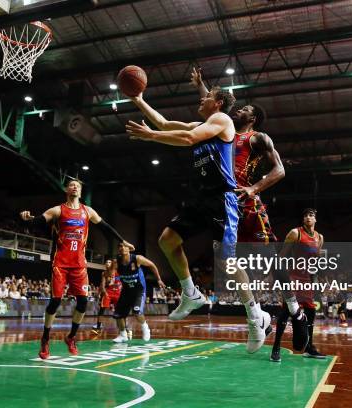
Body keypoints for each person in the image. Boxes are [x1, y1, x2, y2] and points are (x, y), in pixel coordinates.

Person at [126, 85, 271, 347]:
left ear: (217, 103)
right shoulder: (200, 124)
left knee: (227, 262)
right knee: (167, 240)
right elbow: (164, 122)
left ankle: (255, 317)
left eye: (206, 97)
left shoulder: (223, 120)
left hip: (222, 199)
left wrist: (151, 136)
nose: (202, 99)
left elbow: (189, 139)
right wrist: (139, 99)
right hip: (202, 197)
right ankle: (190, 292)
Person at [191, 68, 305, 353]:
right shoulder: (224, 130)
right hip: (226, 204)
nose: (238, 109)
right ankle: (258, 319)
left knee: (269, 258)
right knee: (226, 265)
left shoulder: (258, 137)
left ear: (252, 118)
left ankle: (294, 307)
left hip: (249, 204)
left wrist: (254, 188)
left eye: (245, 109)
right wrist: (200, 85)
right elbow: (211, 105)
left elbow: (279, 169)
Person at [20, 179, 133, 357]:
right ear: (67, 190)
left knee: (83, 302)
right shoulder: (57, 210)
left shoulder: (87, 211)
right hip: (60, 264)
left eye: (78, 186)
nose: (75, 187)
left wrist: (122, 241)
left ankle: (71, 337)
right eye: (71, 185)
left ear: (80, 191)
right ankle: (45, 338)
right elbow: (38, 222)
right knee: (55, 302)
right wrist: (27, 219)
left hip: (79, 265)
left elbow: (106, 227)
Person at [270, 209, 326, 362]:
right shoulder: (295, 233)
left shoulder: (319, 237)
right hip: (293, 277)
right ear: (303, 219)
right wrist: (276, 277)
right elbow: (281, 256)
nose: (308, 217)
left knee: (311, 312)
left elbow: (316, 261)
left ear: (315, 220)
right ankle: (276, 348)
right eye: (306, 215)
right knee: (286, 312)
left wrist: (317, 281)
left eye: (311, 215)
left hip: (307, 280)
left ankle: (309, 348)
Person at [112, 243, 165, 343]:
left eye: (125, 246)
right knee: (118, 315)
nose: (122, 248)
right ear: (118, 250)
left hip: (139, 290)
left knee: (137, 312)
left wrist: (158, 279)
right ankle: (123, 335)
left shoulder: (137, 259)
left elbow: (152, 265)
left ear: (129, 249)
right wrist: (110, 275)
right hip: (126, 291)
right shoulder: (116, 262)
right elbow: (110, 272)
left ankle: (146, 329)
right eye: (120, 246)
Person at [92, 259, 121, 334]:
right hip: (108, 292)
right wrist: (103, 292)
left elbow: (115, 261)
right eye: (106, 262)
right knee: (101, 310)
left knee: (120, 311)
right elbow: (103, 284)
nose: (108, 263)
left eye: (109, 262)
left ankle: (125, 329)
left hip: (117, 292)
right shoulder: (104, 273)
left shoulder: (116, 270)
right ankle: (98, 327)